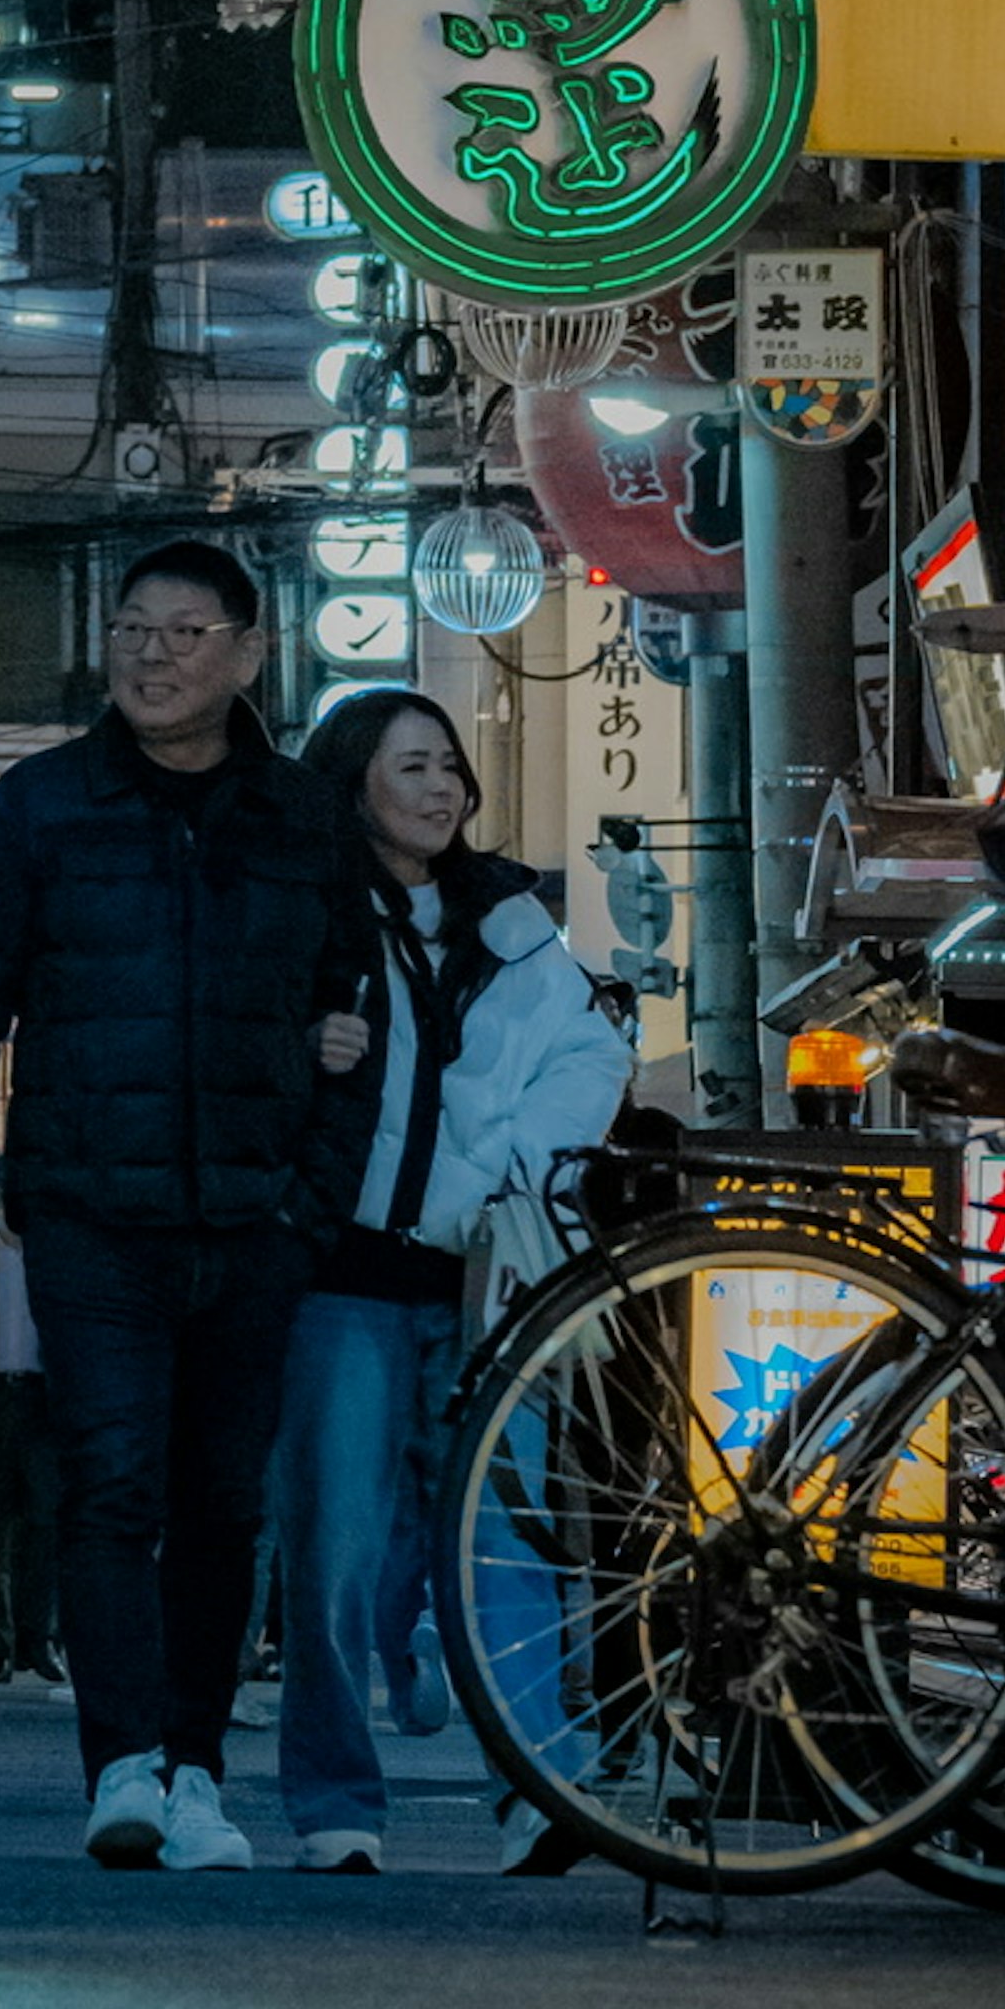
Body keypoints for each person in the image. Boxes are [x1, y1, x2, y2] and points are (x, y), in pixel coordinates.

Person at [0, 541, 371, 1878]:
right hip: (89, 1210)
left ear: (247, 654)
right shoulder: (43, 807)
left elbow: (359, 1015)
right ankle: (123, 1765)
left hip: (256, 1219)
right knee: (109, 1484)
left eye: (182, 631)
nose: (151, 654)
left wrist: (309, 1205)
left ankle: (201, 1770)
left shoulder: (300, 818)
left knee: (223, 1502)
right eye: (130, 627)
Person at [276, 687, 627, 1880]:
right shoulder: (309, 912)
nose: (441, 789)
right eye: (411, 765)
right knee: (334, 1544)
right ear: (351, 781)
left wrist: (500, 1172)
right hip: (340, 1274)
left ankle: (539, 1783)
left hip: (487, 1276)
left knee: (506, 1535)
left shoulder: (513, 922)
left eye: (450, 767)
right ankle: (335, 1792)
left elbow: (592, 1053)